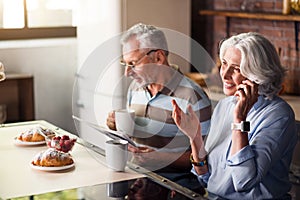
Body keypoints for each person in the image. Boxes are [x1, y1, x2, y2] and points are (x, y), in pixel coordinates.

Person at [172, 32, 298, 199]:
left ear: (258, 75)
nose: (224, 74)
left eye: (237, 68)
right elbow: (206, 178)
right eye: (224, 63)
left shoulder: (278, 115)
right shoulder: (225, 105)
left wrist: (240, 121)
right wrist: (195, 138)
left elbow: (244, 182)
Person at [106, 23, 211, 193]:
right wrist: (118, 125)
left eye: (133, 63)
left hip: (176, 188)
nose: (127, 73)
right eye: (125, 64)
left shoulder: (193, 97)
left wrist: (159, 158)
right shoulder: (136, 88)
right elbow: (135, 136)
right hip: (139, 180)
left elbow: (206, 160)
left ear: (158, 57)